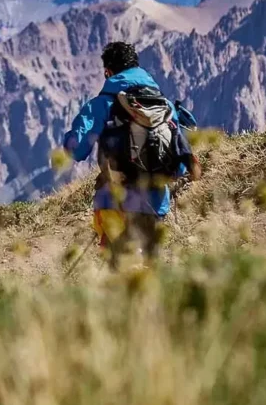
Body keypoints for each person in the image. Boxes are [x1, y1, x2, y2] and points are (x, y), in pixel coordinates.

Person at [63, 41, 199, 262]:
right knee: (149, 271)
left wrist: (69, 139)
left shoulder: (102, 104)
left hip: (115, 202)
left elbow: (76, 150)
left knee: (121, 271)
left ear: (108, 72)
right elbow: (181, 161)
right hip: (156, 205)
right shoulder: (164, 106)